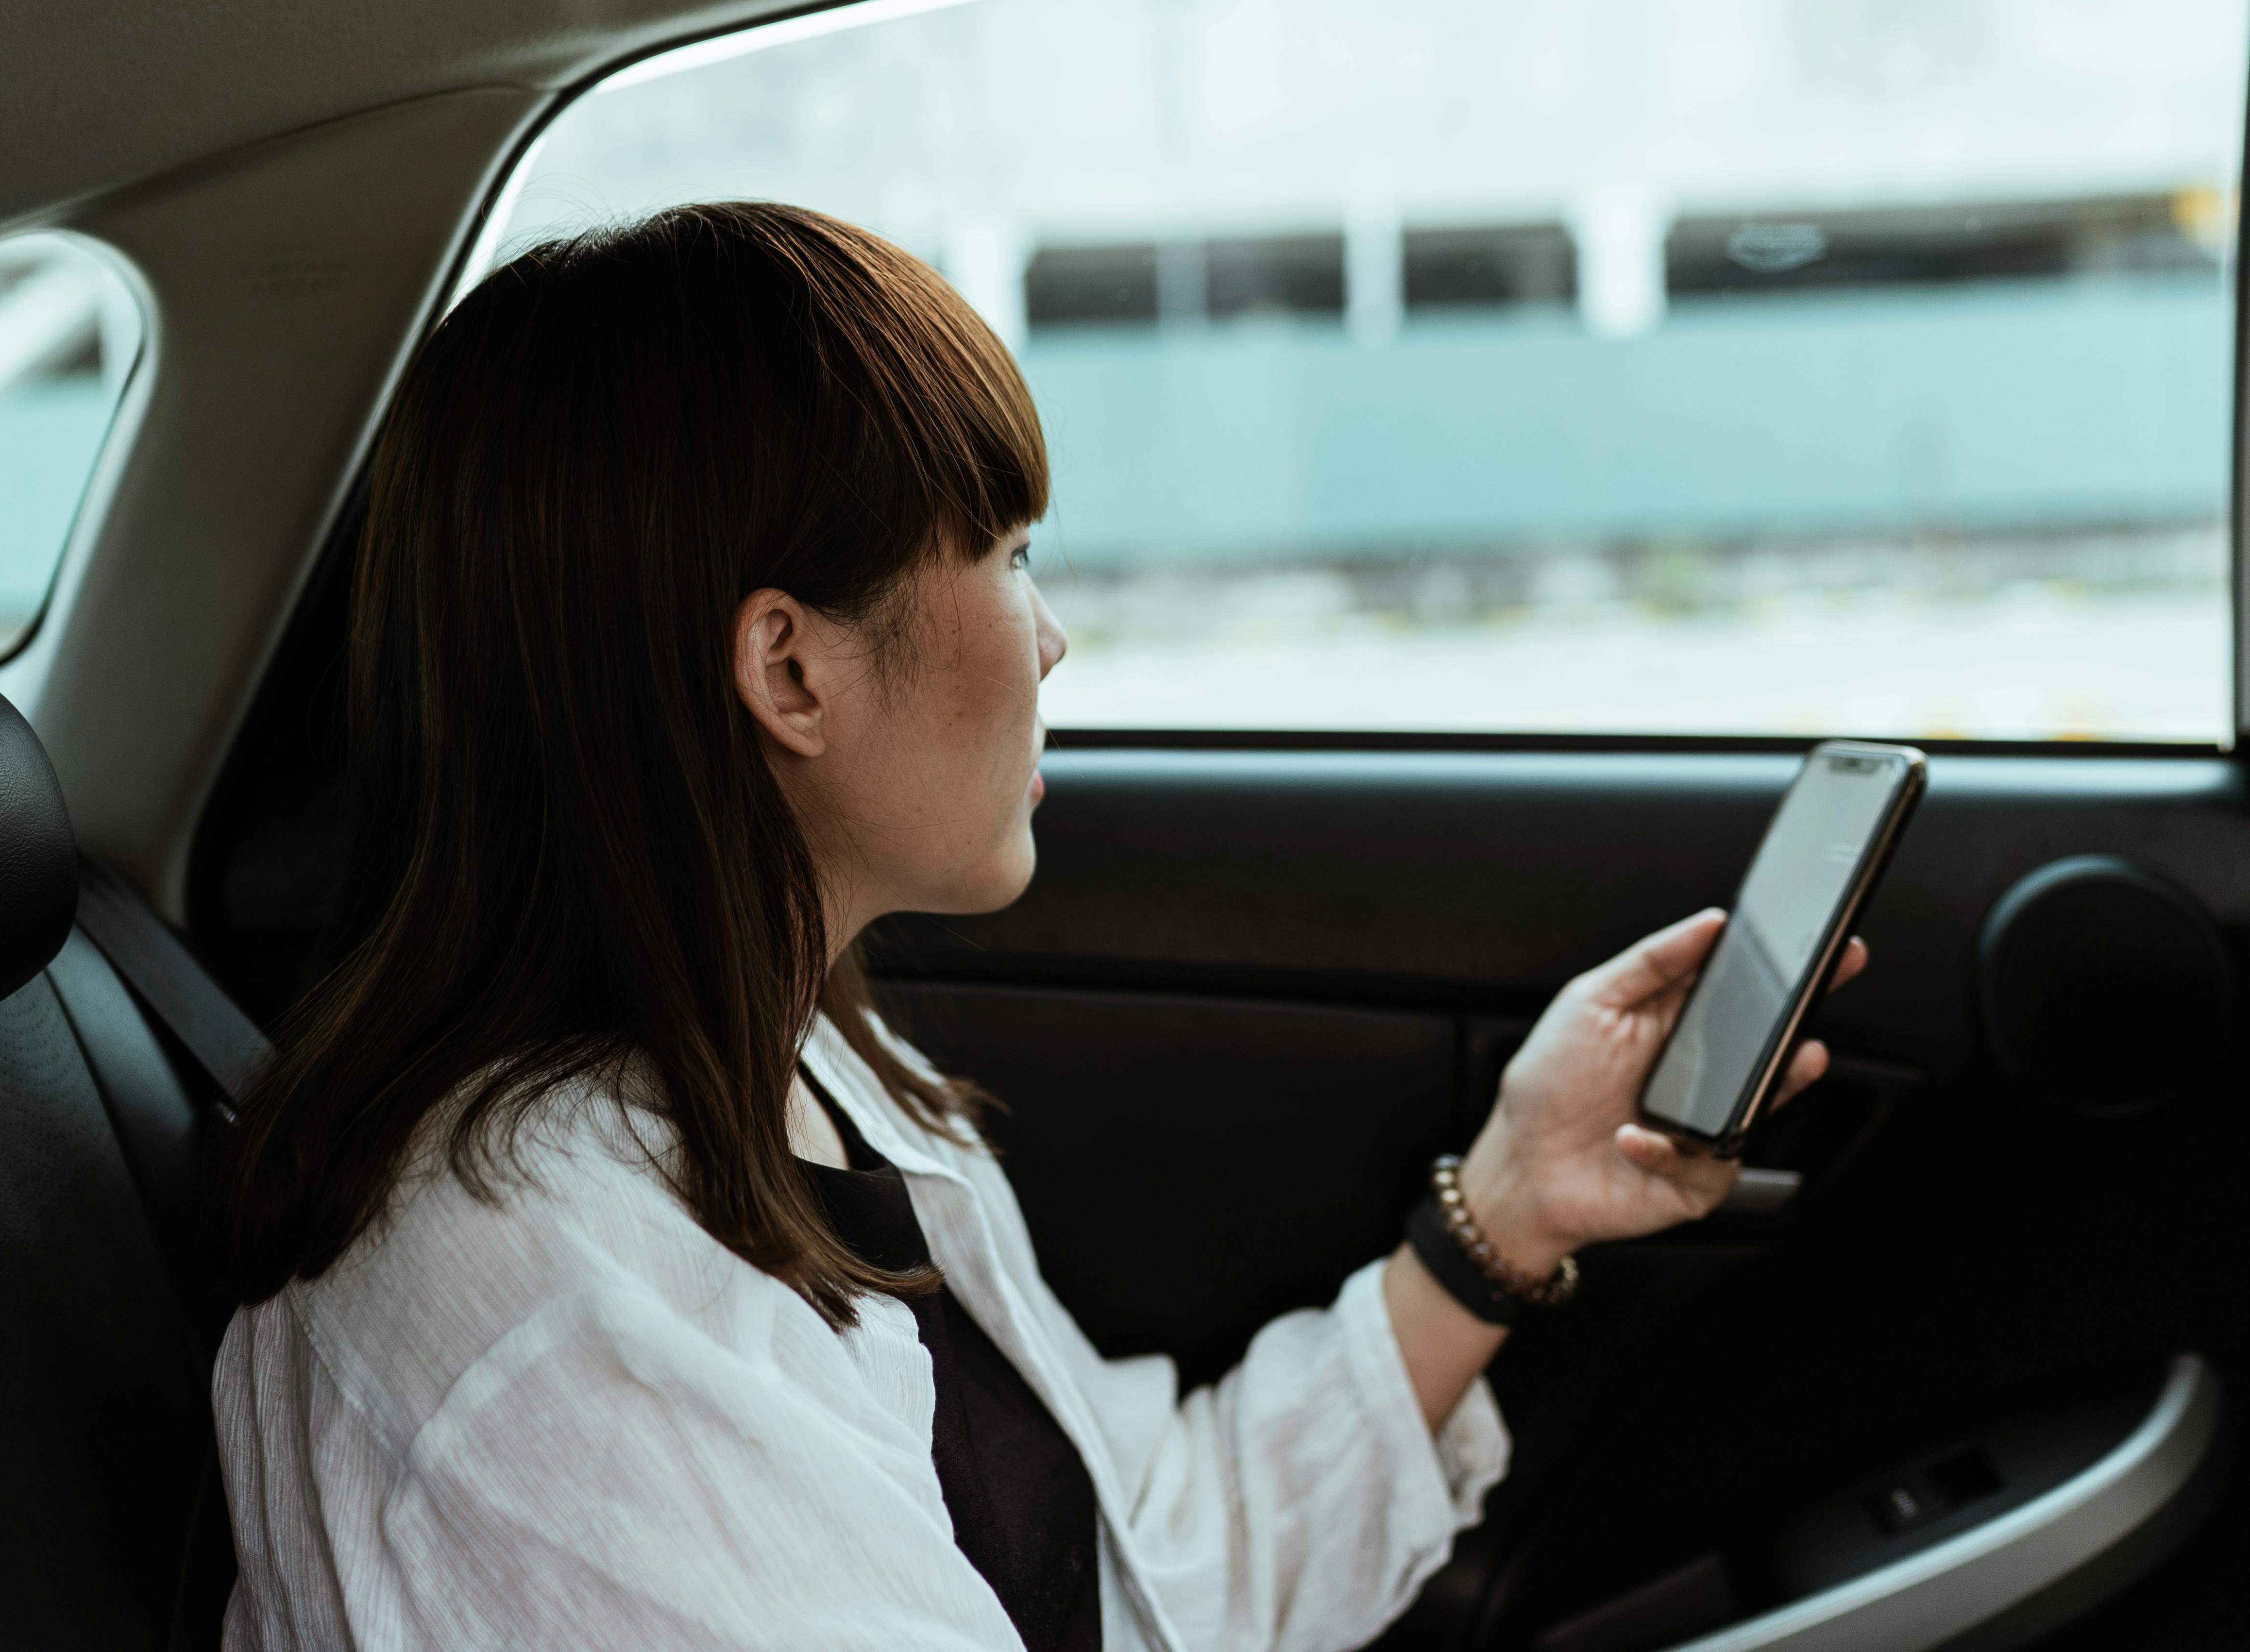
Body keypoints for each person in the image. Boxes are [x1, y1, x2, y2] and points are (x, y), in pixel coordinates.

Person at [205, 202, 1844, 1652]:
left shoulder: (802, 1077)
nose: (1050, 640)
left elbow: (1139, 1572)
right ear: (791, 671)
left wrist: (1503, 1208)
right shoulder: (561, 1321)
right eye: (1006, 553)